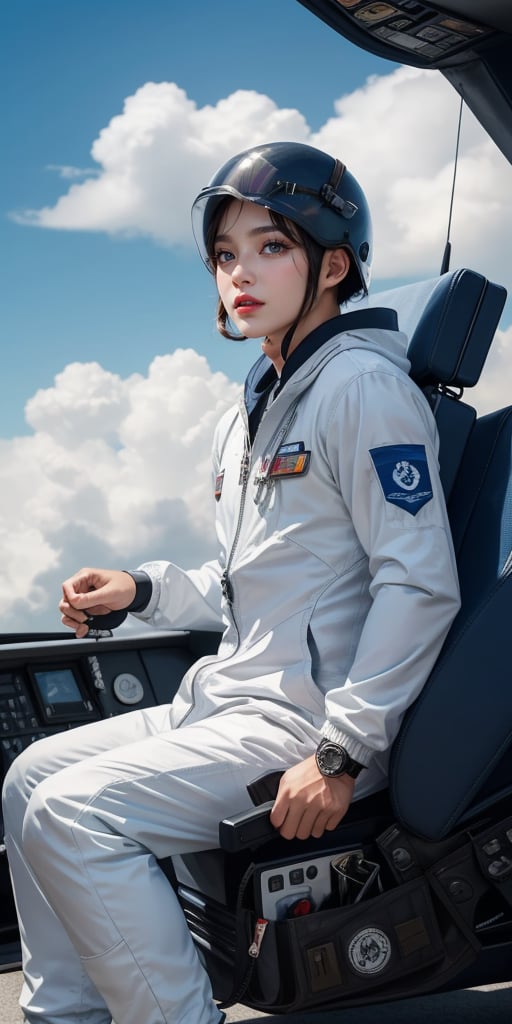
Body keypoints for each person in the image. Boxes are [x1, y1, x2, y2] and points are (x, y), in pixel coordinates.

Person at [2, 142, 460, 1024]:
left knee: (73, 817)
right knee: (29, 778)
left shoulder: (363, 389)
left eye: (271, 248)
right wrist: (140, 590)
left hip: (307, 724)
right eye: (225, 255)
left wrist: (341, 752)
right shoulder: (261, 404)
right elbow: (252, 579)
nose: (239, 274)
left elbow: (419, 585)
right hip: (233, 699)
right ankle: (66, 1015)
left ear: (333, 265)